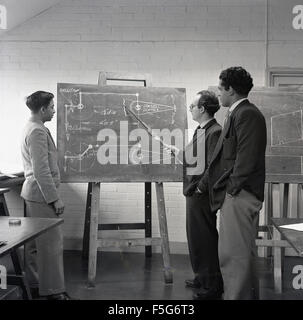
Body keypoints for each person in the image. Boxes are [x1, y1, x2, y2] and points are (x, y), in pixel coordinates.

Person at [197, 67, 267, 300]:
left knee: (233, 256)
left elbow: (245, 160)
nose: (218, 94)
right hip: (238, 194)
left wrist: (231, 191)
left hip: (240, 195)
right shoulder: (237, 113)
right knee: (241, 254)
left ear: (232, 90)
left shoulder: (247, 114)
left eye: (220, 89)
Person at [167, 90, 223, 300]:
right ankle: (201, 277)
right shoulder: (201, 130)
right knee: (195, 237)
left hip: (201, 193)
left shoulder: (215, 131)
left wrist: (200, 188)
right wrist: (178, 152)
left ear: (203, 108)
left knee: (205, 238)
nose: (190, 108)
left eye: (193, 105)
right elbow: (196, 159)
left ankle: (213, 285)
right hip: (193, 192)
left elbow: (213, 166)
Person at [21, 91, 71, 300]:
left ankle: (35, 286)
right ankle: (53, 293)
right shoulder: (37, 132)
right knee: (50, 245)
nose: (53, 111)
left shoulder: (33, 127)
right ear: (42, 109)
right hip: (41, 196)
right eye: (51, 107)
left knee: (34, 245)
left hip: (33, 193)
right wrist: (55, 198)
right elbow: (41, 170)